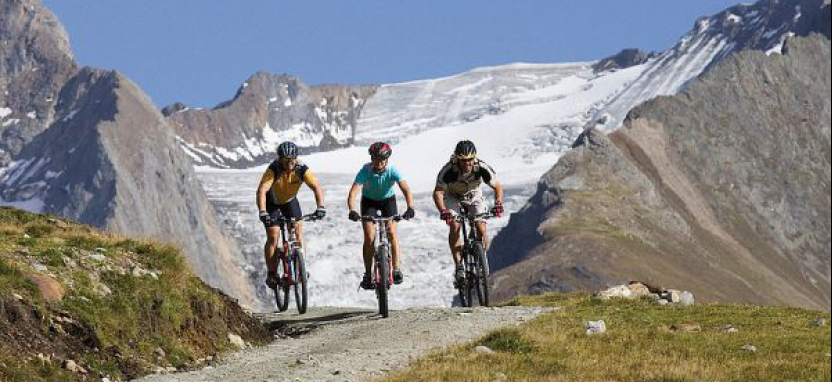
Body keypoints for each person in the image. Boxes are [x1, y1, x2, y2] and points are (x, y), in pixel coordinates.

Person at [432, 140, 504, 287]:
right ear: (457, 158)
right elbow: (438, 192)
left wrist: (498, 204)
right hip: (452, 197)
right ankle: (459, 266)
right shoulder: (448, 170)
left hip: (474, 195)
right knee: (455, 225)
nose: (467, 164)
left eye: (470, 160)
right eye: (463, 160)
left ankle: (481, 259)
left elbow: (497, 186)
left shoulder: (481, 167)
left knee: (481, 227)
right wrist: (443, 211)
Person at [256, 141, 326, 289]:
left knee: (298, 232)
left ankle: (301, 268)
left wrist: (321, 206)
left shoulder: (302, 169)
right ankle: (272, 273)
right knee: (273, 235)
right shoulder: (273, 169)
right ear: (280, 159)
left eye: (293, 159)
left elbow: (316, 187)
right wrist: (263, 211)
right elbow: (262, 190)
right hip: (272, 202)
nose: (290, 163)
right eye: (286, 160)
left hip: (289, 201)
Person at [347, 141, 416, 289]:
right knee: (369, 237)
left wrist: (410, 207)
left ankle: (396, 269)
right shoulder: (365, 170)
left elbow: (406, 189)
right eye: (376, 159)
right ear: (371, 159)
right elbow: (353, 193)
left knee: (391, 232)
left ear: (387, 159)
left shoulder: (392, 170)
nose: (379, 162)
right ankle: (367, 274)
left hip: (388, 202)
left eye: (382, 159)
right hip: (369, 202)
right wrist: (352, 210)